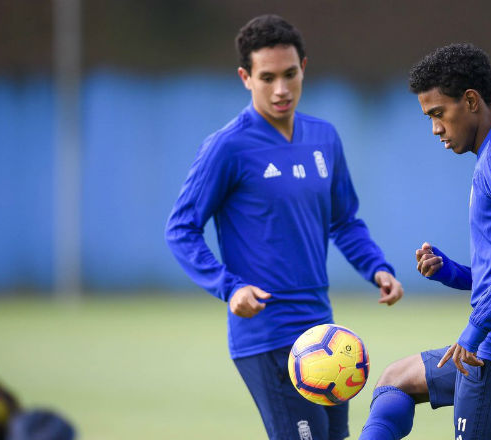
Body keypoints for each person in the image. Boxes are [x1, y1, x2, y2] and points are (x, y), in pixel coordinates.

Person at [165, 14, 403, 440]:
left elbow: (344, 220)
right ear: (245, 77)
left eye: (290, 74)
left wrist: (377, 268)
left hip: (323, 333)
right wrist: (229, 286)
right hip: (266, 335)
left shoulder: (324, 138)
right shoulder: (228, 147)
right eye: (267, 77)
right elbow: (181, 228)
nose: (281, 89)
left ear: (304, 68)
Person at [359, 43, 491, 440]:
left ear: (471, 101)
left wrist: (475, 328)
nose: (436, 128)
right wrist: (453, 273)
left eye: (439, 114)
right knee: (395, 380)